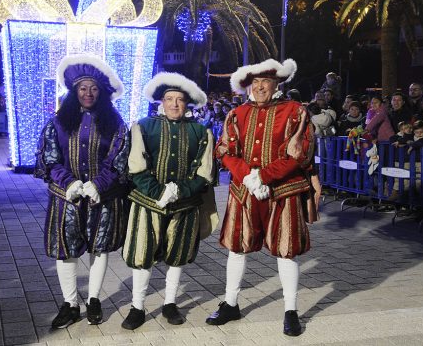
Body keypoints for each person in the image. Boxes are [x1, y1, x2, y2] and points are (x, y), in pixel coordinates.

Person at [205, 58, 320, 337]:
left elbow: (300, 153)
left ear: (276, 83)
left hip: (283, 191)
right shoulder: (237, 114)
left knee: (286, 250)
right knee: (236, 248)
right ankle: (231, 303)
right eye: (255, 83)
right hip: (244, 191)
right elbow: (224, 150)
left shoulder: (295, 111)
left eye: (265, 82)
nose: (259, 87)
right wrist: (247, 176)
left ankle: (290, 311)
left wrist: (264, 177)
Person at [34, 54, 130, 329]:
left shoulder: (115, 123)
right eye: (82, 88)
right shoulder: (57, 122)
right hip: (67, 199)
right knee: (66, 251)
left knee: (99, 249)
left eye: (94, 88)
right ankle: (70, 303)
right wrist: (70, 183)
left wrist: (98, 184)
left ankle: (95, 300)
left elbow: (118, 157)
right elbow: (49, 159)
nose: (88, 93)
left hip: (103, 197)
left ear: (101, 92)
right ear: (74, 91)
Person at [121, 72, 217, 330]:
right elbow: (135, 166)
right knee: (142, 254)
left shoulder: (201, 131)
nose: (174, 104)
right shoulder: (143, 126)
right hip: (147, 203)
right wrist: (158, 192)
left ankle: (170, 303)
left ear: (187, 103)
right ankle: (137, 307)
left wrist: (181, 191)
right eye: (169, 98)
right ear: (161, 102)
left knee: (178, 255)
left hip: (185, 205)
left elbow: (205, 171)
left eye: (180, 99)